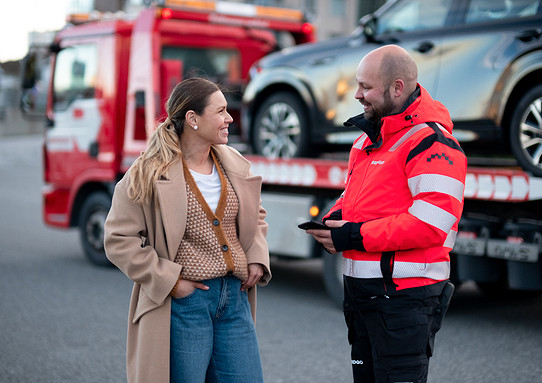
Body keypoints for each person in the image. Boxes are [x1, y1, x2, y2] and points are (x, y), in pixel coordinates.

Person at [305, 45, 467, 382]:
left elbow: (430, 224)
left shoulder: (432, 143)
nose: (357, 95)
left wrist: (351, 236)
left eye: (366, 87)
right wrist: (333, 219)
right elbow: (354, 198)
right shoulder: (368, 139)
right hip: (363, 299)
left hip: (403, 302)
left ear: (397, 87)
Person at [104, 77, 271, 383]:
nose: (229, 118)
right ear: (193, 119)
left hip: (234, 299)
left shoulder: (234, 163)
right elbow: (118, 238)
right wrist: (170, 281)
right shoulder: (149, 171)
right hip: (185, 303)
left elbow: (255, 213)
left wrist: (257, 256)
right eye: (220, 111)